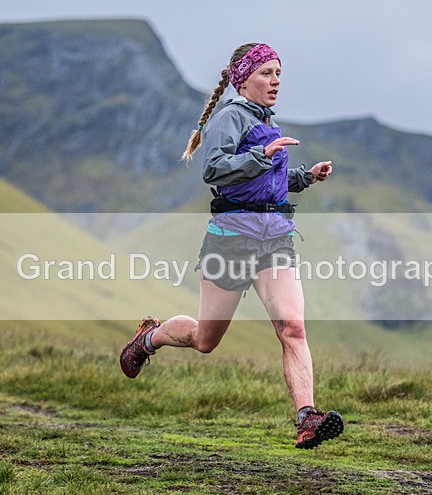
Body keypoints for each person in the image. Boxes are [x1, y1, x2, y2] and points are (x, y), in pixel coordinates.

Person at [119, 43, 343, 449]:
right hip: (231, 239)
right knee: (206, 340)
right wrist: (263, 153)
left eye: (279, 73)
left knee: (292, 328)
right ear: (243, 78)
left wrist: (305, 177)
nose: (275, 81)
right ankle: (149, 338)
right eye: (267, 73)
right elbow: (214, 169)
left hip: (275, 237)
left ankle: (308, 418)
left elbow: (265, 182)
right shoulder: (230, 117)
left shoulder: (266, 121)